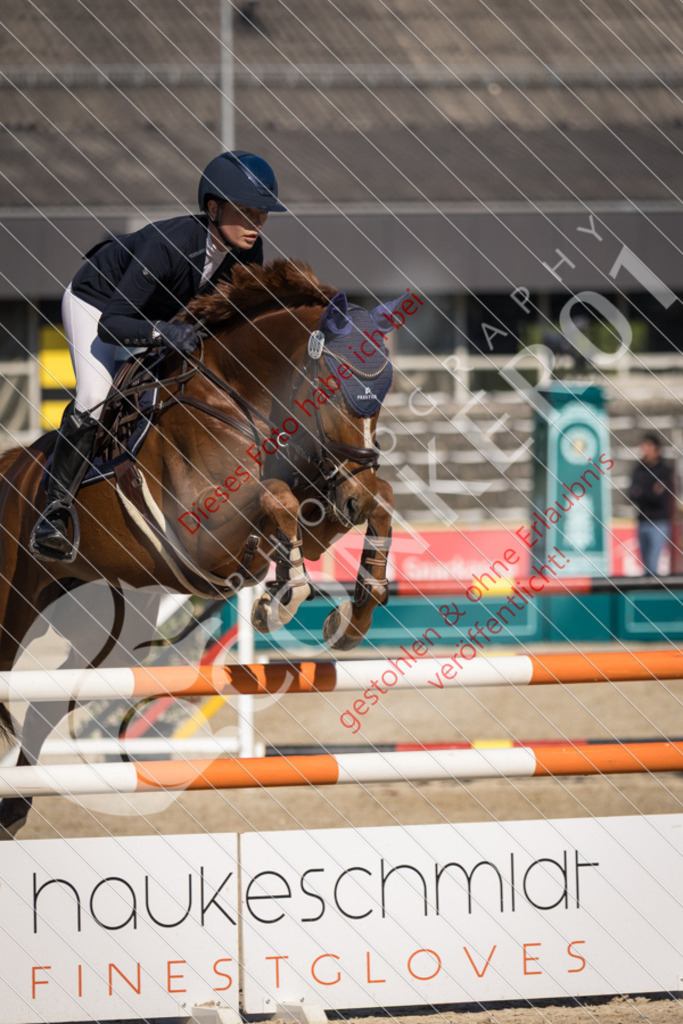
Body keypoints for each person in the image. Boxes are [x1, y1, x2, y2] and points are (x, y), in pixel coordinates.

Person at [30, 150, 285, 561]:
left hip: (158, 320)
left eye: (263, 214)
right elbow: (111, 325)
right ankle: (53, 513)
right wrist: (163, 333)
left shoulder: (248, 254)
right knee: (95, 398)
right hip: (98, 304)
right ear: (214, 208)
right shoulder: (167, 245)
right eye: (247, 212)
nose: (257, 224)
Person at [627, 432, 675, 576]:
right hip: (642, 521)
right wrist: (650, 492)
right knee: (646, 567)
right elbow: (632, 495)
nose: (644, 450)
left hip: (659, 523)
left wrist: (642, 493)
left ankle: (654, 596)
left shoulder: (664, 471)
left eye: (647, 446)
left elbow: (659, 498)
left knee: (652, 567)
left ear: (656, 449)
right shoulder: (639, 470)